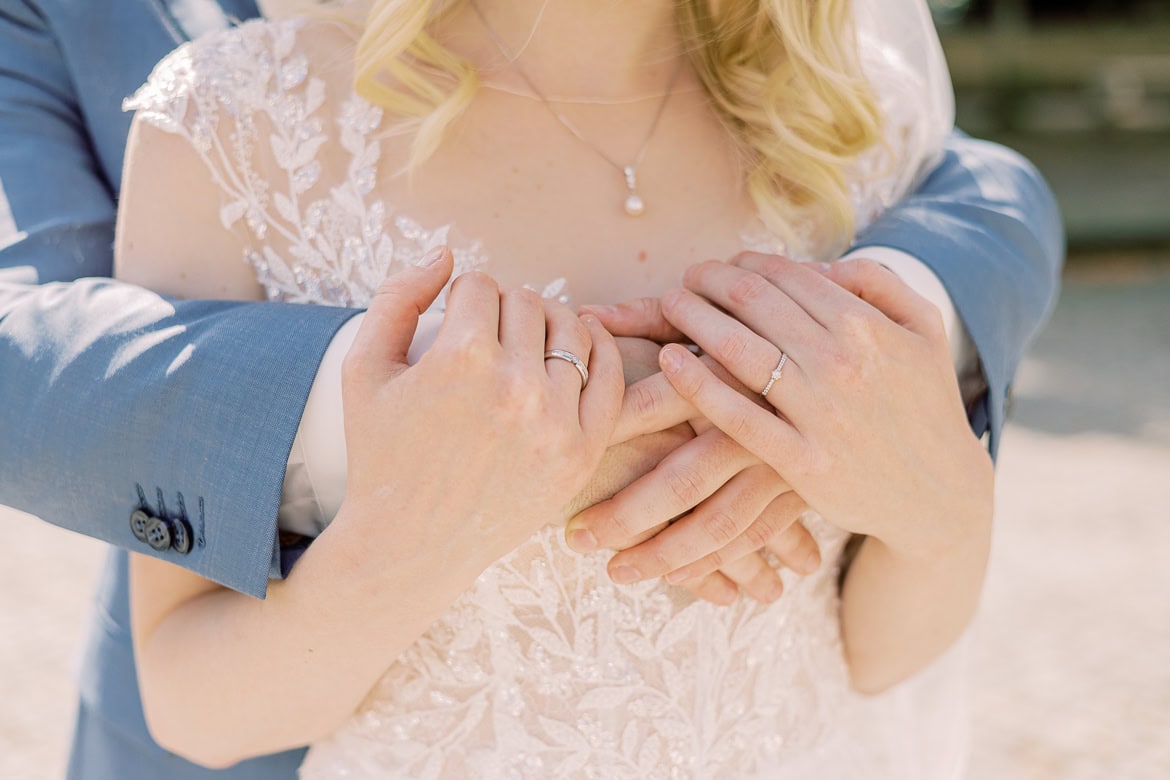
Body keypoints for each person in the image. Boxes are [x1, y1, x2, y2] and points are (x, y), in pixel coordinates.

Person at [0, 0, 1061, 778]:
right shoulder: (237, 131)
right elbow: (193, 706)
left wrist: (944, 507)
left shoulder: (851, 115)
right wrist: (428, 530)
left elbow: (879, 655)